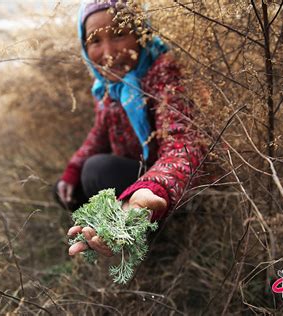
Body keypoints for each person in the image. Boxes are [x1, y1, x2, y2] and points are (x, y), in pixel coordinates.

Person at [55, 0, 204, 257]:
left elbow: (182, 144)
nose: (108, 52)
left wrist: (150, 190)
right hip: (139, 175)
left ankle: (161, 240)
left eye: (119, 34)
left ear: (140, 33)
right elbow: (99, 133)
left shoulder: (163, 74)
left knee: (97, 170)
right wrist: (71, 171)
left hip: (170, 187)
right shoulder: (108, 86)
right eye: (95, 41)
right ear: (84, 46)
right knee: (66, 188)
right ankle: (113, 233)